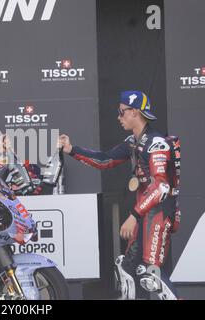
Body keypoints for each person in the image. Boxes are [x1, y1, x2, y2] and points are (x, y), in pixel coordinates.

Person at [59, 91, 181, 300]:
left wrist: (134, 215)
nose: (118, 117)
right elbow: (105, 160)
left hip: (159, 212)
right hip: (144, 212)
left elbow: (161, 187)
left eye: (121, 112)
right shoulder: (132, 142)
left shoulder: (156, 143)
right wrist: (72, 150)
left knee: (149, 273)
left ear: (135, 112)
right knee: (128, 268)